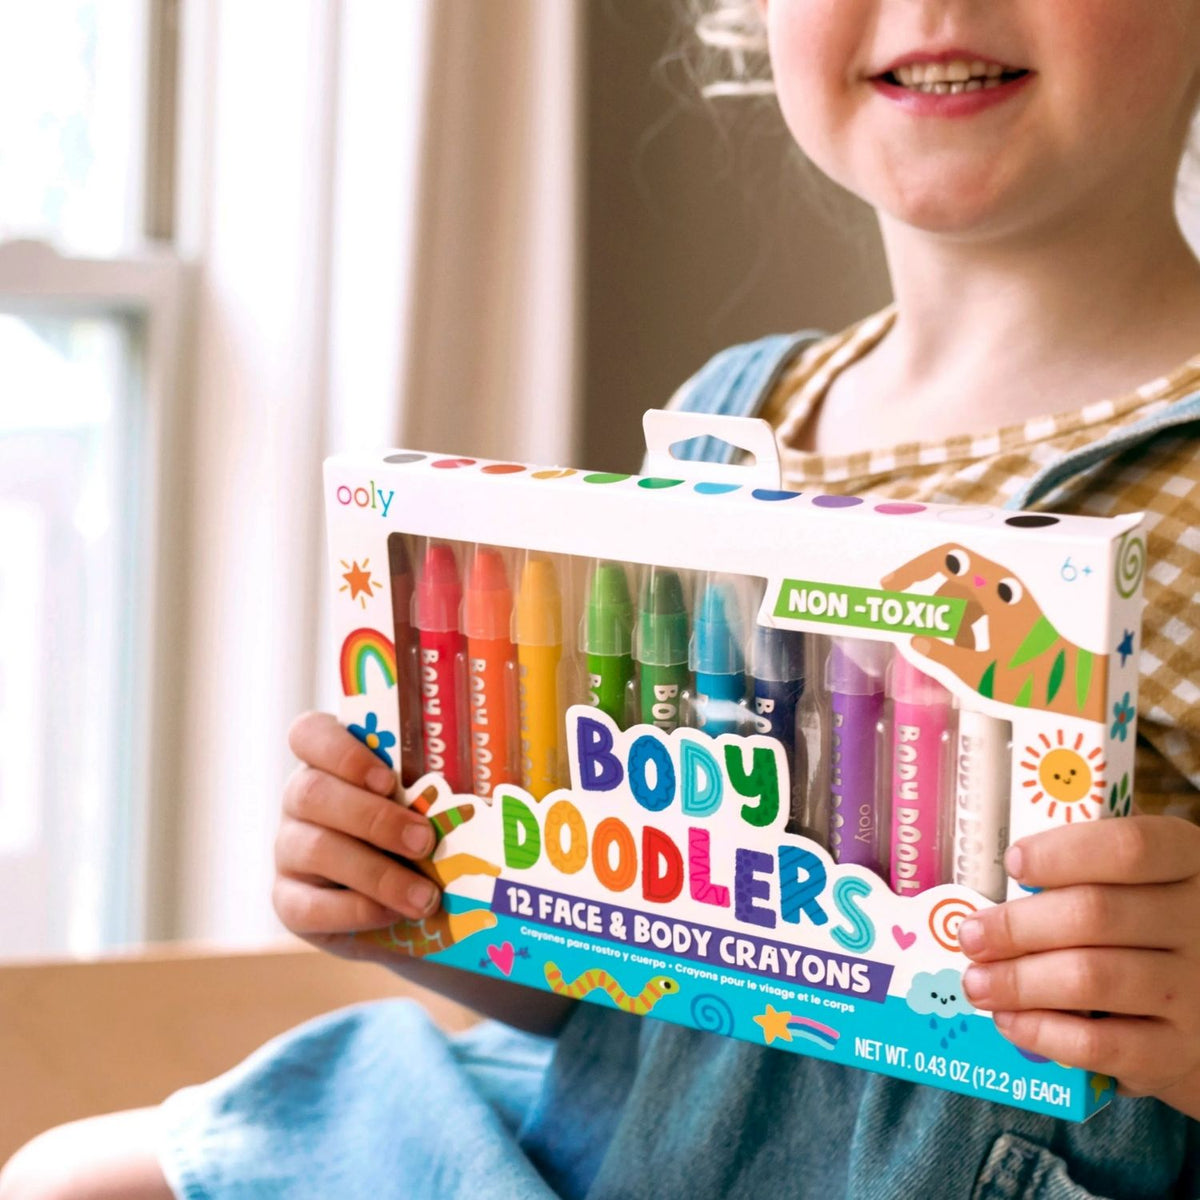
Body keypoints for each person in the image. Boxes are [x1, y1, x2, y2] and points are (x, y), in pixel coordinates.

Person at [5, 1, 1200, 1196]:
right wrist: (417, 895)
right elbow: (621, 978)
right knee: (69, 1179)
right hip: (600, 1134)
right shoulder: (732, 415)